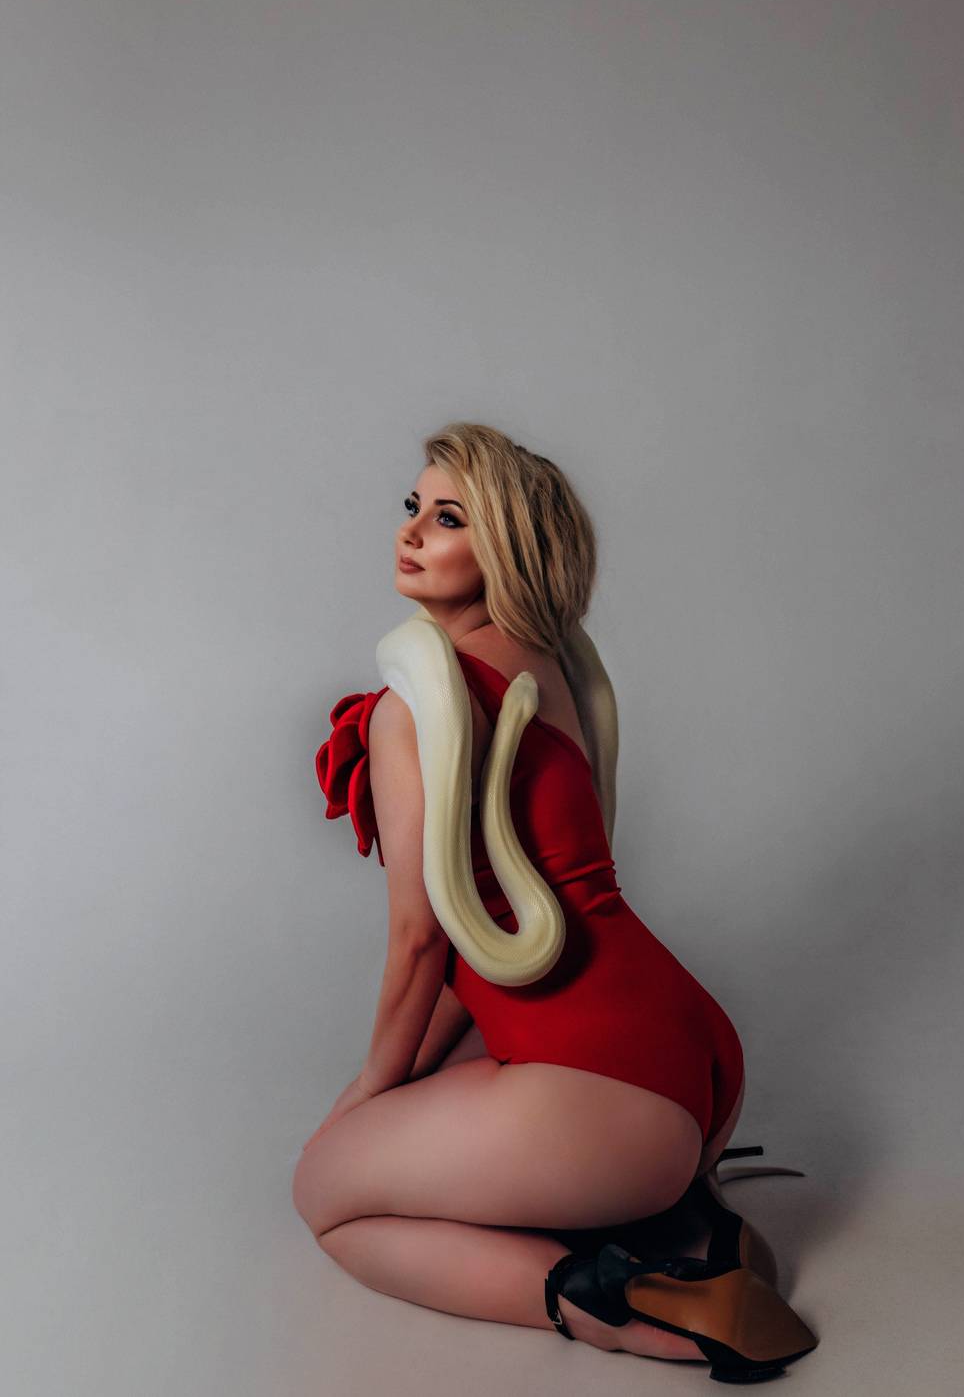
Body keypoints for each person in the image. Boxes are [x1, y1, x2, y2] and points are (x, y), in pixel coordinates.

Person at [292, 423, 817, 1379]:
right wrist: (402, 1080)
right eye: (412, 506)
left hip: (611, 1100)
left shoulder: (416, 705)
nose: (411, 531)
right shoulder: (557, 667)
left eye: (449, 518)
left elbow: (421, 940)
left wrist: (367, 1093)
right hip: (696, 1053)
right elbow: (505, 923)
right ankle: (690, 1227)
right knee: (421, 1101)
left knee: (326, 1196)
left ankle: (622, 1305)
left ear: (506, 546)